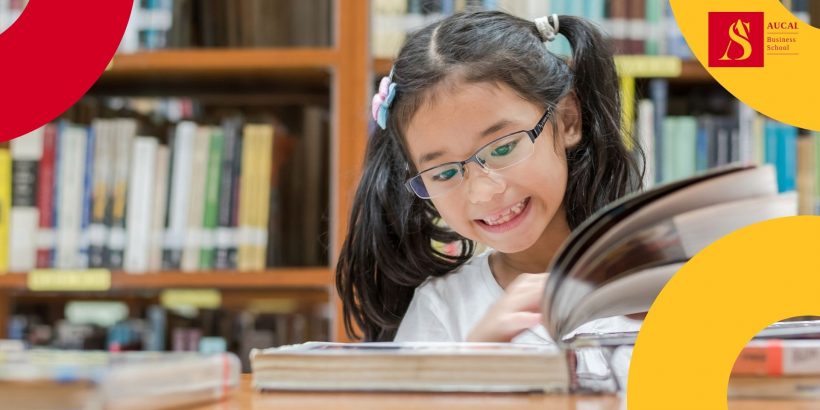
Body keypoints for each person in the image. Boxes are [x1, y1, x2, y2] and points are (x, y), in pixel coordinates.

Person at [336, 11, 644, 347]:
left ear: (568, 119)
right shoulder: (442, 310)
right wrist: (482, 359)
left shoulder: (654, 279)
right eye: (445, 173)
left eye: (502, 149)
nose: (483, 192)